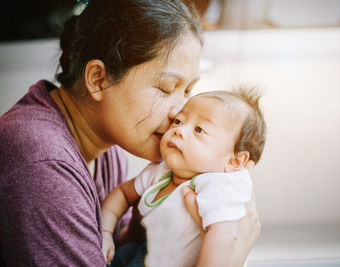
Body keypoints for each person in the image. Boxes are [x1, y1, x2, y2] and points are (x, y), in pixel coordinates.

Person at [0, 0, 260, 266]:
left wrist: (151, 216)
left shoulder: (106, 146)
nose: (179, 113)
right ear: (99, 80)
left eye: (187, 91)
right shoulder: (42, 164)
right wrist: (233, 257)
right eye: (165, 88)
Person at [101, 87, 267, 267]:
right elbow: (123, 194)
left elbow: (223, 237)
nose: (179, 131)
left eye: (199, 130)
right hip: (138, 252)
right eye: (179, 121)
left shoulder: (218, 186)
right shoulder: (160, 171)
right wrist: (105, 232)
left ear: (234, 161)